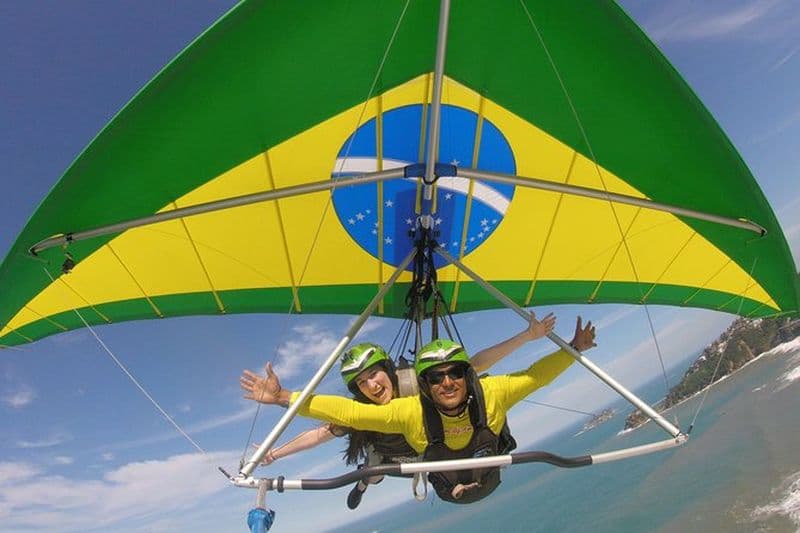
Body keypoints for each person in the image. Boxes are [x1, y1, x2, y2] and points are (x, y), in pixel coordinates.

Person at [248, 312, 557, 509]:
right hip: (388, 451)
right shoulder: (363, 411)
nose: (371, 385)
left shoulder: (417, 384)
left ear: (388, 370)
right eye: (362, 383)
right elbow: (319, 432)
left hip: (427, 447)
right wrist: (275, 452)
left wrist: (528, 336)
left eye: (374, 374)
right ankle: (363, 483)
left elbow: (474, 367)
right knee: (374, 473)